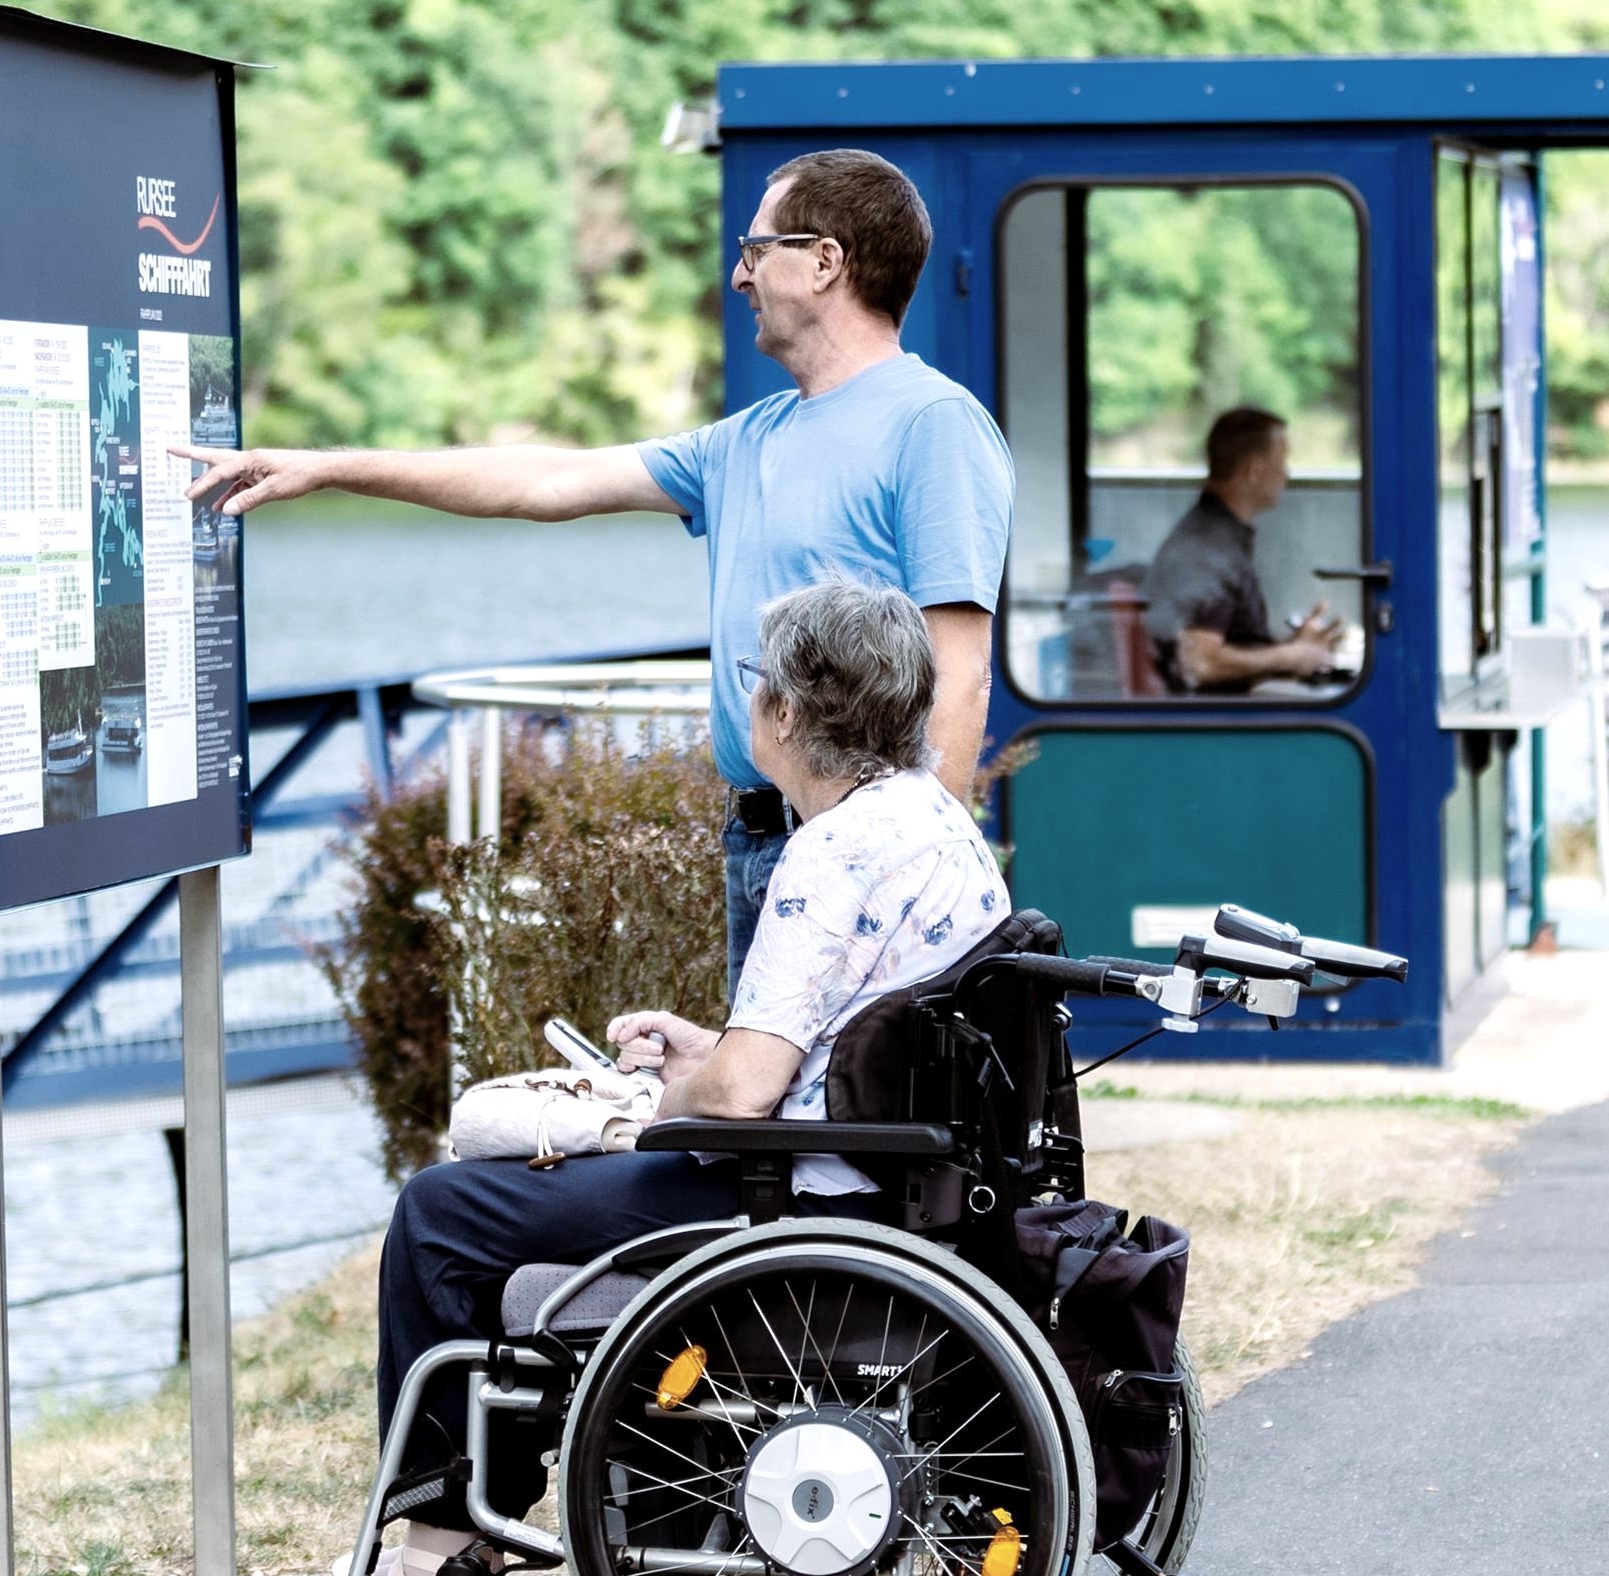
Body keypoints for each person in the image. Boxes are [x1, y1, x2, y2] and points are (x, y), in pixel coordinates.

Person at [259, 579, 1011, 1576]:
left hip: (795, 1199)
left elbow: (743, 1095)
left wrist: (659, 1098)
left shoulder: (830, 852)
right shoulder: (935, 820)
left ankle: (435, 1567)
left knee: (442, 1214)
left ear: (785, 712)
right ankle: (551, 1556)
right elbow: (834, 1044)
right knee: (513, 1206)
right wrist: (715, 1050)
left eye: (756, 684)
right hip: (888, 1179)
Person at [176, 148, 1009, 983]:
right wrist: (329, 468)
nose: (738, 276)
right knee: (760, 1073)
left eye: (755, 250)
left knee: (858, 1073)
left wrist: (916, 876)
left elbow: (961, 673)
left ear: (825, 261)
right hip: (759, 842)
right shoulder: (747, 439)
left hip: (866, 858)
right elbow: (544, 480)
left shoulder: (933, 425)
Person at [1144, 406, 1345, 693]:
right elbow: (1200, 663)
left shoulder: (1218, 536)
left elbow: (1224, 642)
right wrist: (1289, 657)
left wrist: (1293, 647)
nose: (1287, 474)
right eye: (1282, 461)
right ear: (1254, 470)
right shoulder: (1208, 549)